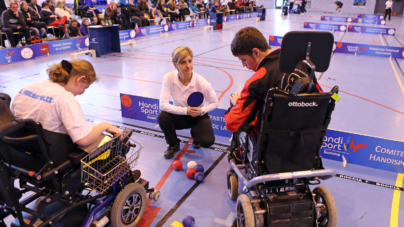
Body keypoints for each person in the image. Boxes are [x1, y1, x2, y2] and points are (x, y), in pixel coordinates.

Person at [11, 59, 123, 159]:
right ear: (80, 79)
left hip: (24, 150)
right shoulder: (65, 97)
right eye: (85, 87)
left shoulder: (30, 86)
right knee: (107, 141)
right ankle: (123, 176)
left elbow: (14, 116)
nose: (82, 92)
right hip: (54, 153)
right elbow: (83, 139)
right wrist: (105, 125)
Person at [224, 27, 320, 134]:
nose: (243, 65)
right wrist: (336, 97)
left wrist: (233, 106)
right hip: (306, 139)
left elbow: (232, 123)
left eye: (243, 59)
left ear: (256, 52)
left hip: (272, 143)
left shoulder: (257, 79)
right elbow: (323, 96)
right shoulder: (304, 65)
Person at [158, 46, 218, 159]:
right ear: (175, 64)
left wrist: (202, 110)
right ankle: (174, 144)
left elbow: (214, 103)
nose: (188, 65)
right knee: (163, 118)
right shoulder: (169, 78)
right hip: (180, 115)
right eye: (183, 62)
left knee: (207, 142)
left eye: (190, 61)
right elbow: (163, 104)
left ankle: (196, 137)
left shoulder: (202, 82)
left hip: (197, 116)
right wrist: (186, 110)